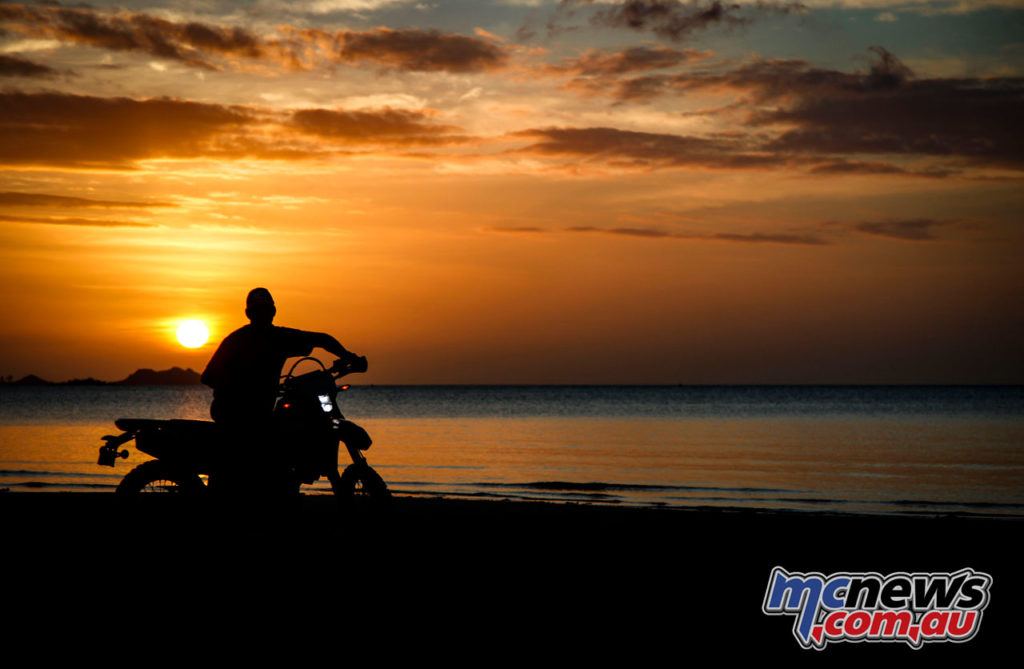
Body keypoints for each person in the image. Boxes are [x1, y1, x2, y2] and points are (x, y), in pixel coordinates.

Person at [201, 287, 362, 496]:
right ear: (249, 313)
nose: (262, 314)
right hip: (232, 411)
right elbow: (208, 377)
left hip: (262, 410)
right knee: (261, 450)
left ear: (273, 311)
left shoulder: (281, 337)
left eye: (266, 309)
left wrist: (348, 356)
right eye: (258, 310)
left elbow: (321, 339)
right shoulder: (236, 340)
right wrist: (242, 388)